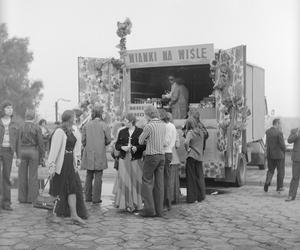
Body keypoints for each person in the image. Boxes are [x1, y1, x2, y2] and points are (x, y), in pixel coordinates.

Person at [48, 110, 88, 225]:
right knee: (55, 189)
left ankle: (74, 215)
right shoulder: (59, 131)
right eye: (74, 116)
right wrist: (51, 168)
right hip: (61, 164)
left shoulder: (71, 130)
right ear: (69, 118)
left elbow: (76, 150)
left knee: (72, 189)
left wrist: (77, 164)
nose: (75, 118)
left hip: (70, 163)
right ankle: (50, 215)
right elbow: (54, 151)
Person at [114, 113, 146, 212]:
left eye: (126, 121)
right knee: (124, 181)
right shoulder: (122, 131)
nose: (124, 122)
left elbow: (144, 145)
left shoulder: (140, 131)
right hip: (124, 159)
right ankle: (125, 203)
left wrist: (137, 147)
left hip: (136, 160)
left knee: (135, 181)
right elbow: (117, 145)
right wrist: (122, 147)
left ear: (131, 121)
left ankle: (136, 203)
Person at [138, 105, 166, 217]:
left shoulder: (149, 126)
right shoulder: (163, 125)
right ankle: (159, 210)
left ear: (148, 114)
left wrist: (147, 141)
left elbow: (140, 141)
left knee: (147, 181)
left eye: (145, 114)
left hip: (151, 156)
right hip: (162, 156)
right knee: (159, 184)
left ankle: (149, 210)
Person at [81, 105, 111, 204]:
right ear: (101, 114)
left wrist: (88, 145)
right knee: (98, 176)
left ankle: (88, 197)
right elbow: (108, 140)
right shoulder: (104, 125)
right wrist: (103, 144)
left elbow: (83, 140)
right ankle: (96, 198)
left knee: (89, 175)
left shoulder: (86, 125)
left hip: (89, 152)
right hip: (100, 153)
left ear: (93, 114)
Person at [18, 109, 44, 203]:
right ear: (34, 116)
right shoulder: (37, 128)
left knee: (22, 175)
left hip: (22, 151)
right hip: (33, 151)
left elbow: (17, 141)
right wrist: (42, 156)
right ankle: (32, 199)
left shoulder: (20, 127)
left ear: (26, 116)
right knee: (33, 176)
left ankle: (22, 198)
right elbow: (41, 143)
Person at [0, 100, 21, 211]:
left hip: (8, 152)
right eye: (7, 107)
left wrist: (18, 157)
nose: (10, 109)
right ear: (3, 109)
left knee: (6, 177)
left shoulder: (15, 124)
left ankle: (6, 203)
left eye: (11, 108)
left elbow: (18, 142)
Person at [184, 117, 206, 203]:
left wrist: (188, 149)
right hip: (199, 157)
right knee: (198, 177)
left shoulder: (190, 132)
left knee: (191, 178)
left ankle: (192, 198)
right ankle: (200, 196)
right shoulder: (201, 132)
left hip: (191, 156)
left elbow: (186, 142)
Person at [159, 109, 177, 211]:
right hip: (168, 152)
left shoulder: (167, 126)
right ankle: (166, 203)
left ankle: (165, 203)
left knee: (164, 180)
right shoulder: (171, 126)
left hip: (165, 153)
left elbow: (166, 142)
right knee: (165, 179)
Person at [264, 118, 286, 192]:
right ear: (277, 123)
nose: (280, 125)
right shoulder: (279, 133)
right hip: (279, 156)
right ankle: (279, 187)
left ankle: (267, 183)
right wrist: (285, 150)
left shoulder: (268, 132)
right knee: (280, 171)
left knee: (270, 170)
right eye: (280, 124)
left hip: (270, 155)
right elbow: (282, 145)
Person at [286, 127, 300, 201]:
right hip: (297, 158)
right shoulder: (295, 130)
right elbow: (289, 140)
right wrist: (296, 134)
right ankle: (291, 195)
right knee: (295, 177)